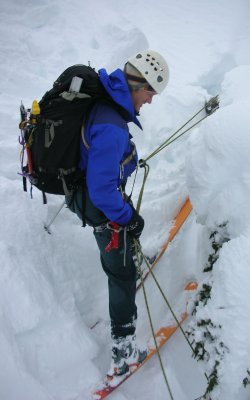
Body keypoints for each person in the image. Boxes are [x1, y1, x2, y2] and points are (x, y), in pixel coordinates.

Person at [66, 50, 169, 377]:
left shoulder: (106, 101)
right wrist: (129, 220)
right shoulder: (111, 125)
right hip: (99, 206)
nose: (150, 101)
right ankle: (124, 350)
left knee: (126, 226)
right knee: (120, 272)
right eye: (150, 93)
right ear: (137, 85)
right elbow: (102, 192)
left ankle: (131, 256)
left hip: (89, 192)